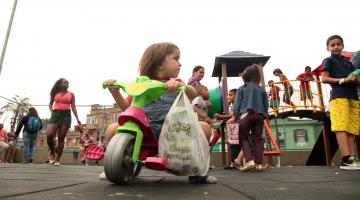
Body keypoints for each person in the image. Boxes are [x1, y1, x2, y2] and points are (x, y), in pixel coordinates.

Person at [104, 42, 217, 183]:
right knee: (112, 129)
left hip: (175, 133)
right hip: (146, 132)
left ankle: (197, 173)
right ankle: (116, 166)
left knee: (204, 128)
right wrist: (115, 91)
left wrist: (182, 86)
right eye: (175, 59)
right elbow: (128, 108)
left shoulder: (177, 82)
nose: (180, 64)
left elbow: (193, 93)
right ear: (159, 65)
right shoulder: (141, 84)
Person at [321, 35, 360, 170]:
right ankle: (345, 158)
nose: (336, 46)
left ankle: (352, 157)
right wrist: (343, 80)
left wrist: (355, 80)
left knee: (352, 128)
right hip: (339, 96)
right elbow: (324, 78)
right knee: (341, 126)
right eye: (333, 45)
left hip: (353, 97)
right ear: (328, 48)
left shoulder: (349, 63)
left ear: (343, 46)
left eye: (339, 44)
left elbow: (354, 79)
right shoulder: (328, 60)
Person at [229, 64, 269, 172]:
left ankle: (249, 161)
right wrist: (265, 115)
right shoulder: (261, 90)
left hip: (246, 115)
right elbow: (266, 104)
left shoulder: (242, 88)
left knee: (243, 137)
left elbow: (237, 104)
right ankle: (259, 164)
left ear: (246, 76)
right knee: (258, 139)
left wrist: (234, 116)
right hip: (260, 116)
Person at [47, 78, 81, 166]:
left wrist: (77, 119)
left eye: (68, 83)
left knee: (61, 138)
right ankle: (52, 153)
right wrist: (52, 111)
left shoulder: (71, 94)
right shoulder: (55, 93)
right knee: (50, 135)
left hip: (66, 116)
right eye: (65, 82)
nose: (67, 84)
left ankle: (57, 159)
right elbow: (50, 104)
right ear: (60, 84)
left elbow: (73, 107)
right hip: (55, 114)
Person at [213, 89, 243, 170]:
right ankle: (237, 162)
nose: (228, 96)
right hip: (236, 126)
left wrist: (220, 116)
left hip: (235, 126)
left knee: (234, 145)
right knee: (236, 145)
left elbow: (232, 116)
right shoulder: (235, 104)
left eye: (230, 95)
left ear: (237, 96)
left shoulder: (236, 104)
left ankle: (234, 162)